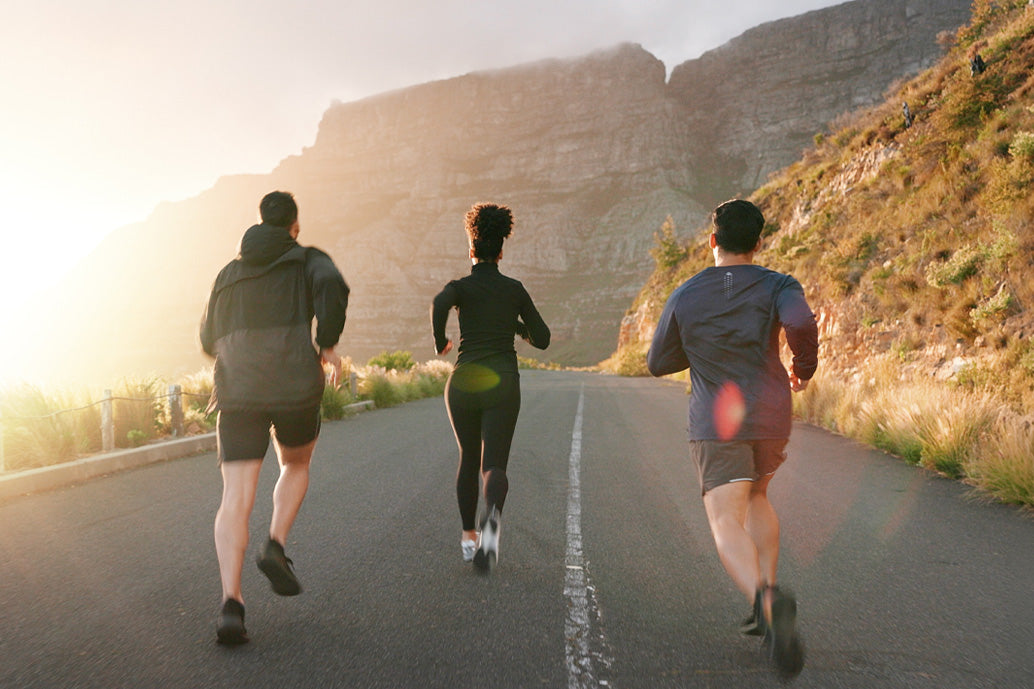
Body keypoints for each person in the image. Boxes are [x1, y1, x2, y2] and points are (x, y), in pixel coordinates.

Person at [646, 199, 817, 678]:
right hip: (771, 413)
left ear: (712, 242)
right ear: (759, 243)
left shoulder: (684, 294)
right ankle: (766, 597)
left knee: (725, 521)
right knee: (759, 495)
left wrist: (700, 351)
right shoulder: (780, 284)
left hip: (716, 422)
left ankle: (766, 602)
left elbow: (657, 362)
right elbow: (801, 322)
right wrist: (803, 369)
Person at [200, 190, 349, 645]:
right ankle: (276, 544)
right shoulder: (307, 258)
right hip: (294, 386)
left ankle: (231, 604)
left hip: (238, 391)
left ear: (259, 221)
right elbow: (334, 288)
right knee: (296, 464)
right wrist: (326, 344)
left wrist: (235, 355)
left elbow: (208, 337)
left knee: (235, 497)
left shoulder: (228, 272)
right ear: (294, 226)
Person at [431, 202, 550, 572]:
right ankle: (491, 525)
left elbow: (439, 302)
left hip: (464, 379)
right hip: (502, 380)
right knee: (494, 463)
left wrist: (440, 341)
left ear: (471, 250)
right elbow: (542, 338)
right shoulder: (514, 289)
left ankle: (469, 538)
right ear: (501, 251)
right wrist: (514, 326)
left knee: (468, 457)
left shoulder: (460, 288)